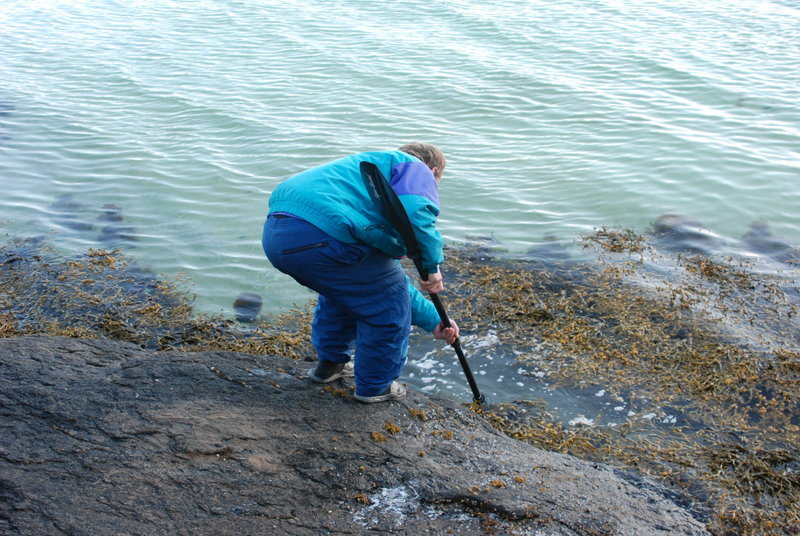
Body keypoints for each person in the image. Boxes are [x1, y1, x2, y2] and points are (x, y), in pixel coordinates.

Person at [261, 143, 459, 403]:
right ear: (433, 172)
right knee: (388, 310)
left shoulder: (364, 183)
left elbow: (385, 280)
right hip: (325, 235)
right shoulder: (414, 167)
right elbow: (417, 212)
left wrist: (435, 320)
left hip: (279, 235)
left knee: (344, 294)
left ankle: (330, 366)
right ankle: (375, 387)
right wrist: (432, 266)